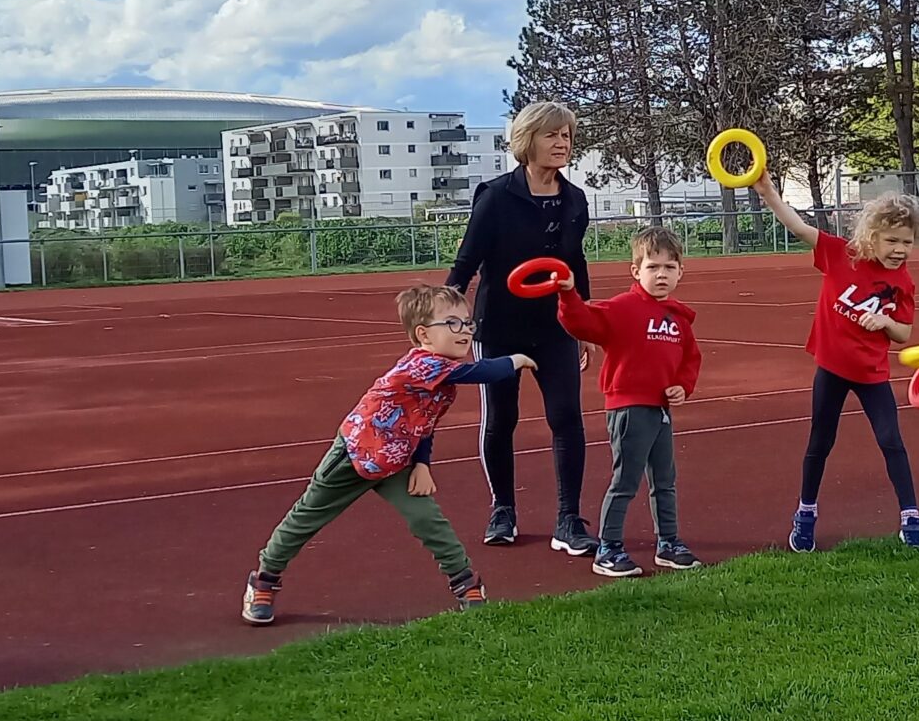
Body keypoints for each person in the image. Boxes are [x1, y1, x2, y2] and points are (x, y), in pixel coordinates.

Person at [240, 285, 531, 625]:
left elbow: (423, 421)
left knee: (427, 520)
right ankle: (264, 580)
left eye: (467, 323)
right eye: (452, 323)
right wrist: (517, 359)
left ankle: (466, 584)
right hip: (354, 454)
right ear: (423, 334)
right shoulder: (424, 366)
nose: (464, 331)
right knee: (305, 518)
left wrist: (422, 463)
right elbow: (485, 372)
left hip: (396, 460)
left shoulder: (441, 377)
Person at [750, 174, 919, 552]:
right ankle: (805, 513)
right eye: (891, 240)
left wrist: (886, 322)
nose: (900, 249)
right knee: (820, 442)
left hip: (872, 374)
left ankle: (910, 516)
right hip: (833, 369)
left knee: (892, 441)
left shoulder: (903, 281)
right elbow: (797, 225)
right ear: (872, 237)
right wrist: (769, 193)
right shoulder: (841, 255)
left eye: (907, 242)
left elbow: (904, 333)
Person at [445, 101, 600, 554]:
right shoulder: (495, 196)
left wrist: (586, 322)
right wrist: (446, 315)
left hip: (555, 327)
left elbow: (576, 263)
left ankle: (569, 520)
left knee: (567, 418)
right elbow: (467, 262)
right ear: (527, 141)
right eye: (552, 135)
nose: (562, 143)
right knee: (502, 419)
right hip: (500, 328)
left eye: (567, 136)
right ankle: (503, 510)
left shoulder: (574, 200)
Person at [554, 227, 702, 578]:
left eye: (669, 267)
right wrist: (568, 294)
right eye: (653, 267)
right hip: (629, 409)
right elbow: (580, 322)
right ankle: (609, 548)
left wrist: (682, 386)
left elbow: (689, 360)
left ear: (681, 271)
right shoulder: (623, 308)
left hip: (660, 410)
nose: (661, 274)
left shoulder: (679, 319)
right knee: (626, 481)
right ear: (636, 271)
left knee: (665, 480)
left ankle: (668, 543)